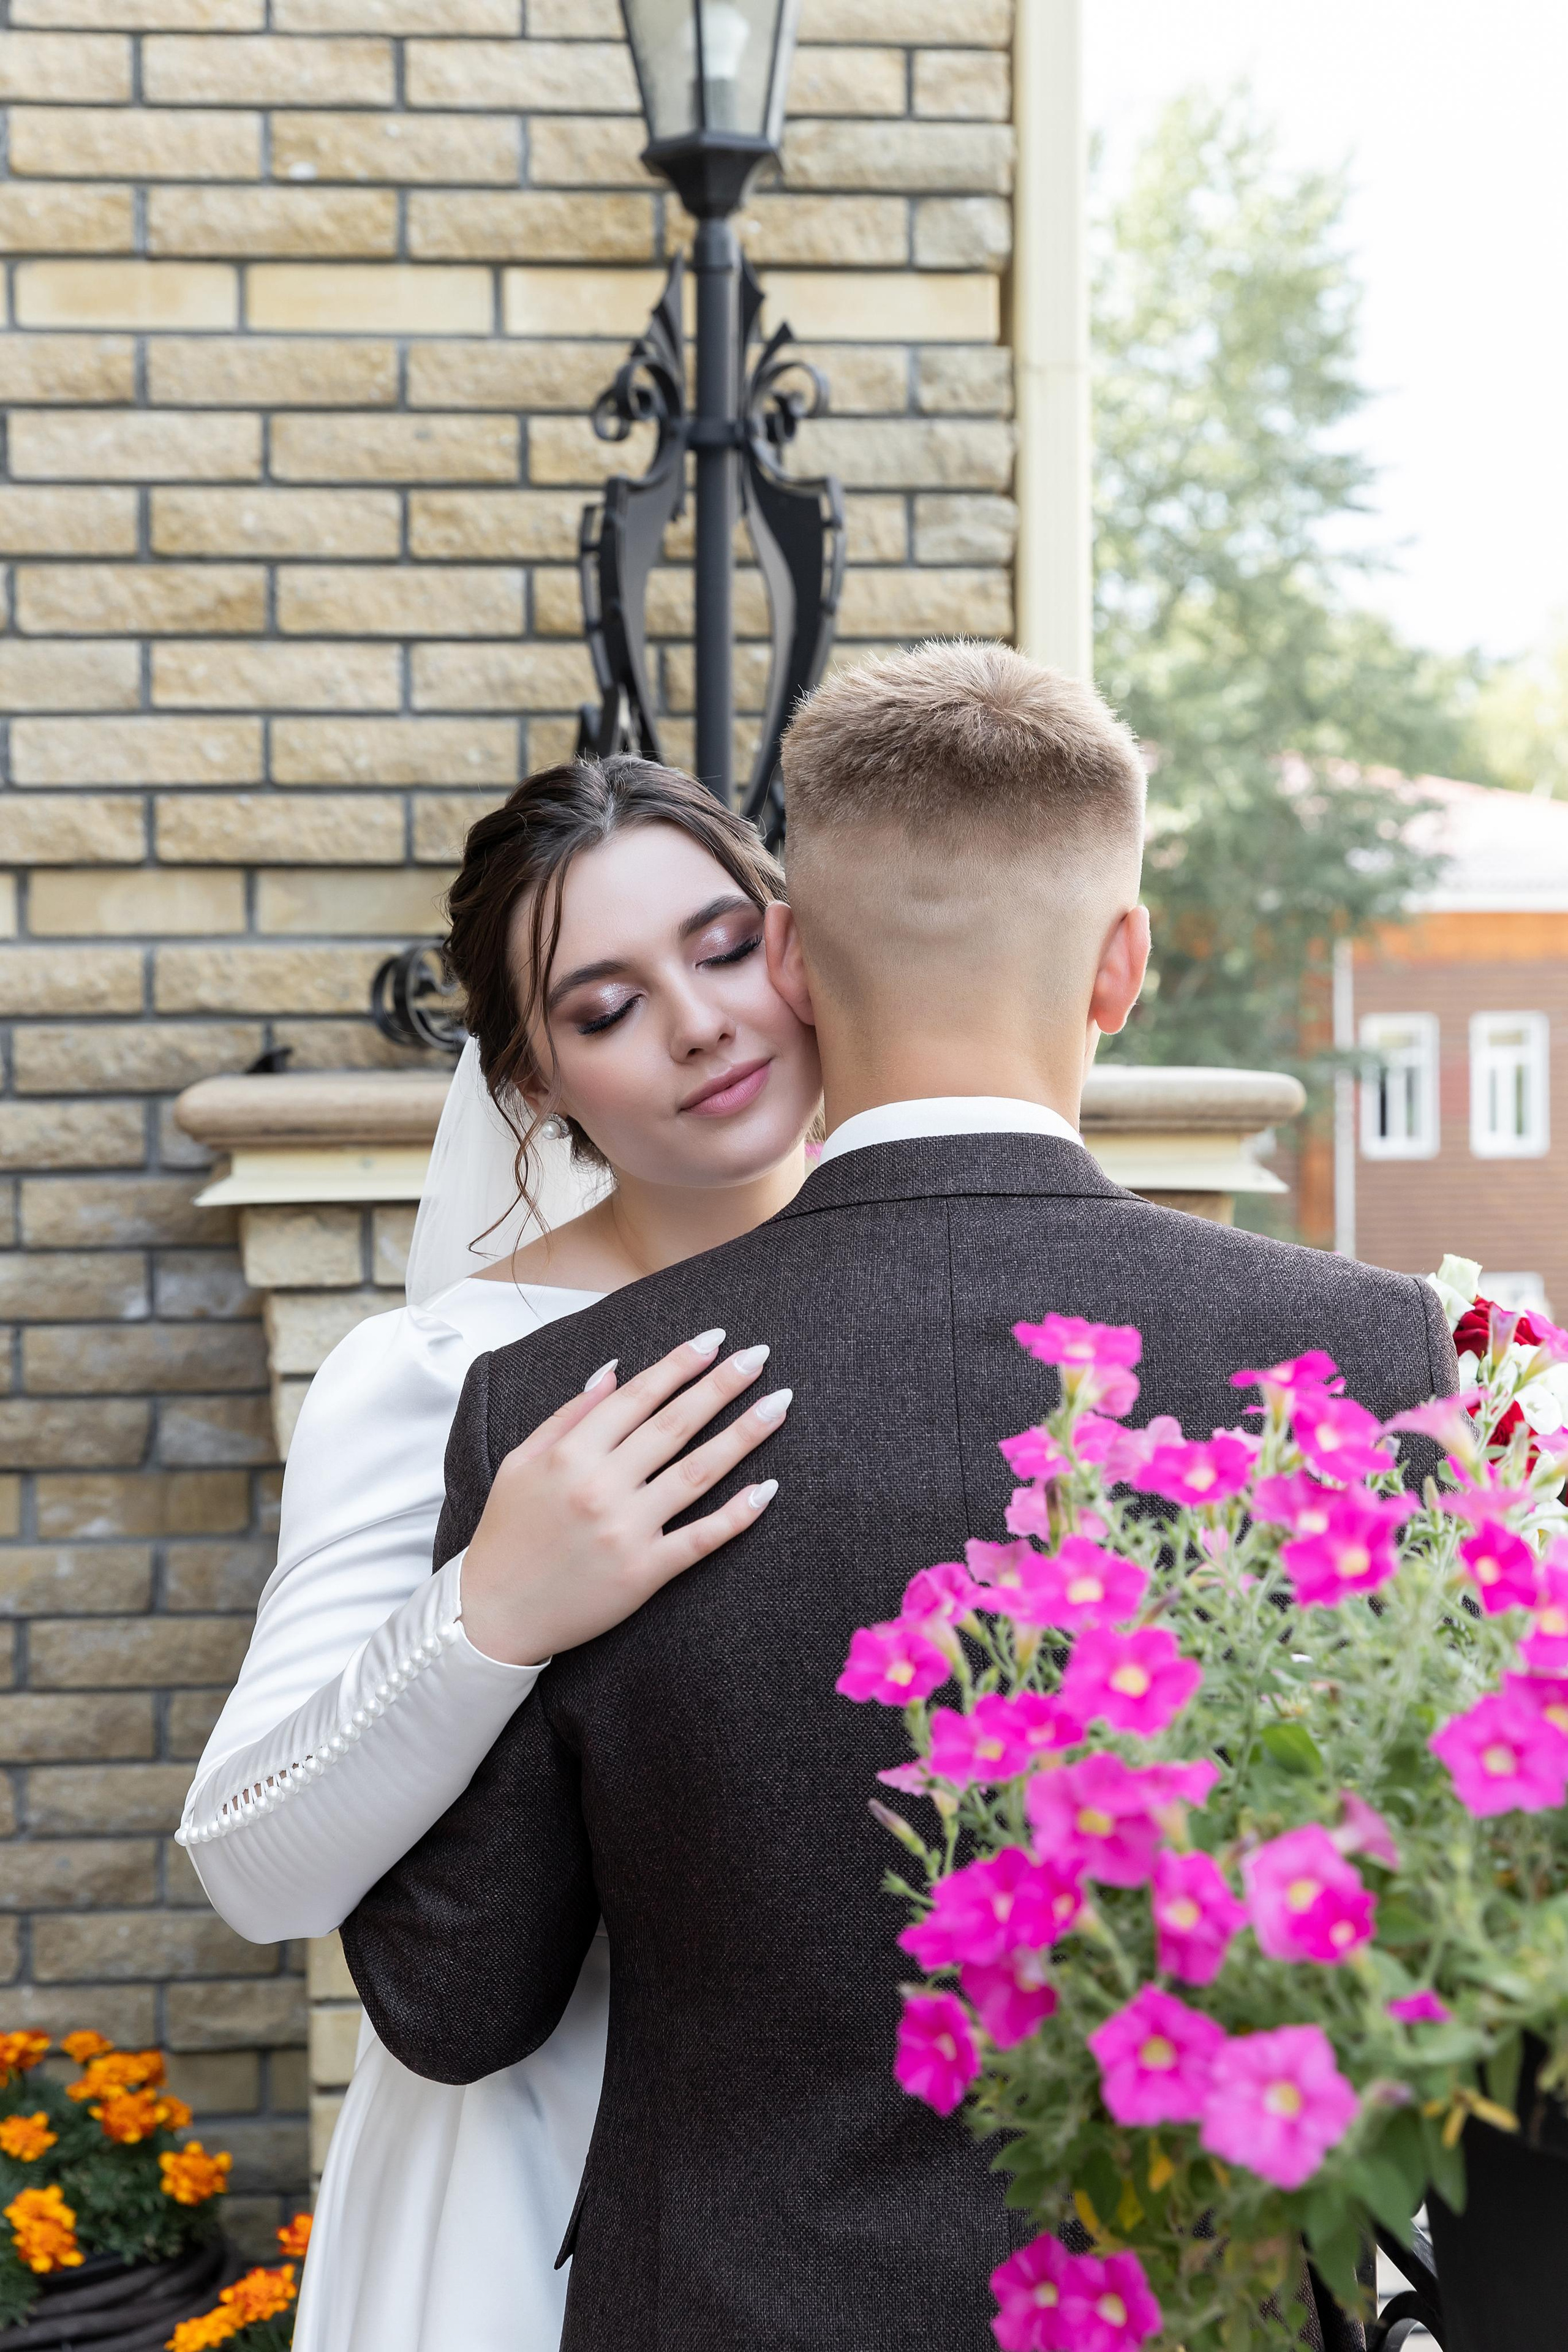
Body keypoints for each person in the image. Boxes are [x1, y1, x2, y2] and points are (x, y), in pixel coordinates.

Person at [342, 641, 1460, 2352]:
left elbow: (455, 2000)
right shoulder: (1358, 1354)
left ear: (791, 954)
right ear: (1123, 965)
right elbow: (1427, 1941)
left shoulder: (564, 1402)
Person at [178, 754, 824, 2352]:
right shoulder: (439, 1376)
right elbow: (255, 1865)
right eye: (607, 1008)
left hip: (869, 2177)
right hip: (532, 2180)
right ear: (533, 1083)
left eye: (725, 948)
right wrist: (492, 1612)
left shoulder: (970, 1305)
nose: (699, 1023)